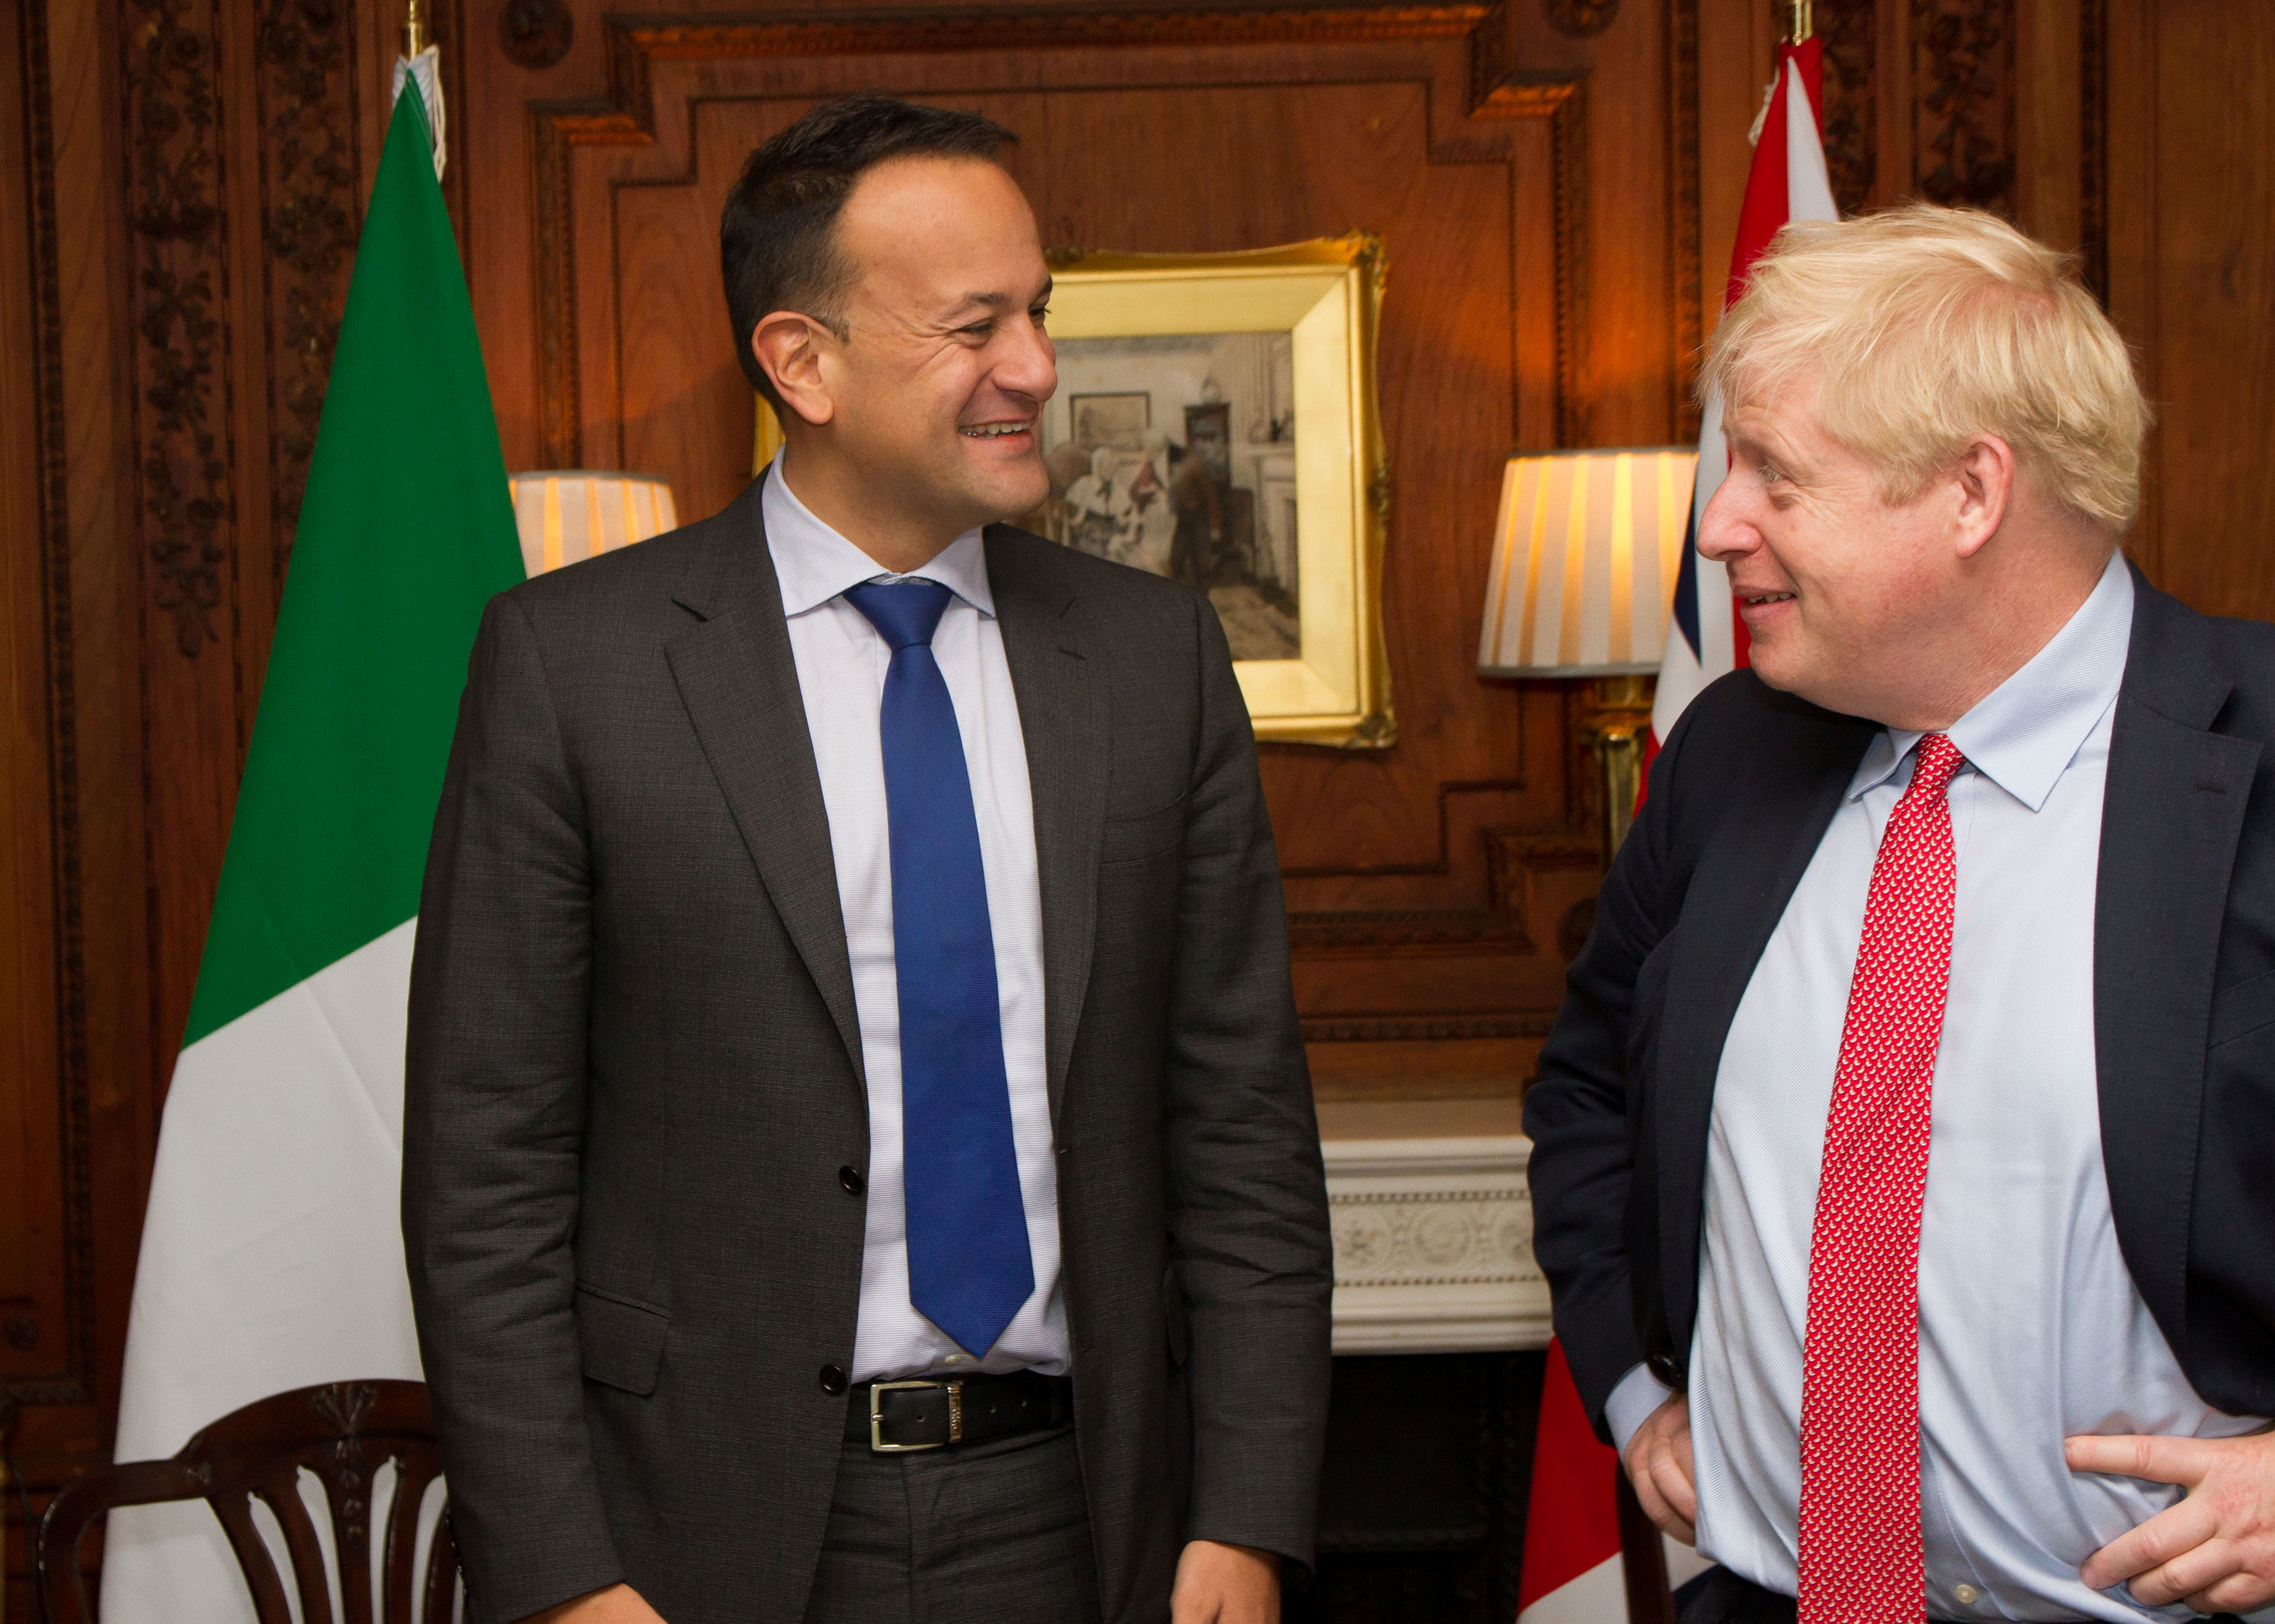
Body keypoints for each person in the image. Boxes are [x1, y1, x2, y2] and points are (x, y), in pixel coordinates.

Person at [402, 94, 1332, 1624]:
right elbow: (485, 1179)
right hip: (706, 1527)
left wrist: (1244, 1512)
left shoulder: (1150, 659)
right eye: (976, 326)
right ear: (801, 361)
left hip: (1084, 1516)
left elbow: (1238, 1128)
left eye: (1038, 312)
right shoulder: (578, 670)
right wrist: (565, 1575)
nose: (1034, 367)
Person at [1525, 203, 2275, 1624]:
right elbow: (1586, 1093)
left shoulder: (2258, 764)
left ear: (1969, 494)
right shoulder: (1734, 754)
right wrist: (1634, 1387)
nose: (1714, 523)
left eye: (1773, 475)